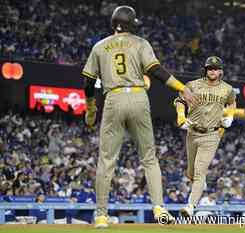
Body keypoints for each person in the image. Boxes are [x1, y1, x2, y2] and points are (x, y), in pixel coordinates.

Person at [81, 5, 198, 228]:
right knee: (149, 158)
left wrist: (90, 108)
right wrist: (182, 88)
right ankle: (160, 209)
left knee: (106, 161)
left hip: (113, 99)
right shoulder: (140, 42)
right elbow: (156, 70)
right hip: (137, 97)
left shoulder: (99, 46)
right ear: (131, 24)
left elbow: (88, 82)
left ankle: (101, 216)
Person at [174, 56, 236, 217]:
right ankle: (198, 185)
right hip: (192, 132)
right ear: (205, 70)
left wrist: (230, 116)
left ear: (221, 71)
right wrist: (181, 116)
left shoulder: (227, 89)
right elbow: (179, 101)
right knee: (191, 172)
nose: (213, 71)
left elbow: (232, 102)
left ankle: (190, 206)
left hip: (212, 134)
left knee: (200, 172)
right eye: (210, 68)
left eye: (215, 68)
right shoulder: (193, 85)